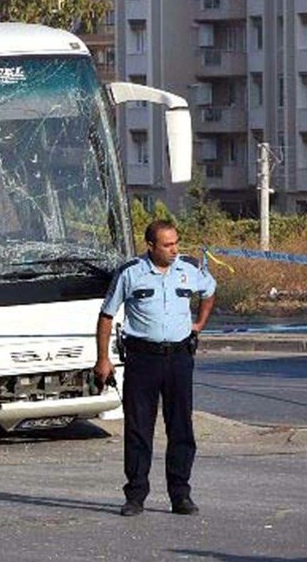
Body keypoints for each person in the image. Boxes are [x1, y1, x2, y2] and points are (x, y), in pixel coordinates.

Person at [95, 219, 216, 518]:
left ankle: (181, 495)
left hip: (178, 358)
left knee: (181, 428)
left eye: (176, 242)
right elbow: (107, 316)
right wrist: (103, 360)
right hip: (142, 359)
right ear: (150, 246)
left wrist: (198, 324)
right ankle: (135, 495)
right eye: (167, 244)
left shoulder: (189, 269)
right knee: (138, 429)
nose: (174, 249)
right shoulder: (130, 273)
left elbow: (209, 291)